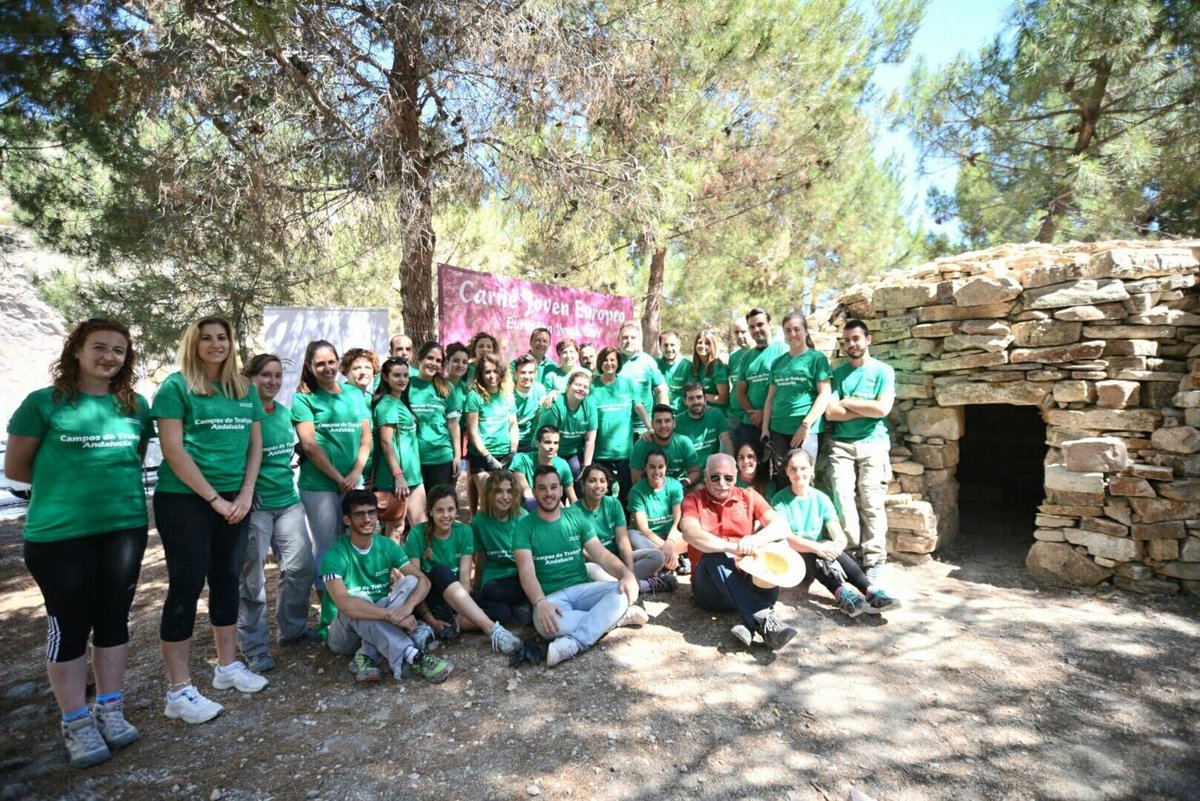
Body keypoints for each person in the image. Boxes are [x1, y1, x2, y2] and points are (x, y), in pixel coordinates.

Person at [6, 318, 153, 766]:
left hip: (124, 528)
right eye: (99, 347)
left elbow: (132, 459)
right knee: (68, 626)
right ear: (76, 350)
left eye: (119, 350)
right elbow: (17, 468)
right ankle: (75, 721)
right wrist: (68, 488)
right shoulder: (42, 403)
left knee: (113, 619)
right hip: (59, 535)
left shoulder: (136, 406)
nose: (109, 356)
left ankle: (110, 709)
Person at [152, 316, 267, 725]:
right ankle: (179, 689)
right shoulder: (176, 386)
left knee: (227, 579)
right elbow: (173, 449)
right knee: (186, 586)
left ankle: (227, 666)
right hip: (185, 500)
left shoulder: (244, 388)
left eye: (222, 338)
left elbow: (255, 445)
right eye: (206, 339)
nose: (216, 344)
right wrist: (215, 499)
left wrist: (246, 493)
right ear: (193, 344)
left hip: (236, 499)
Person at [515, 466, 646, 667]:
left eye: (553, 487)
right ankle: (614, 617)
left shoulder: (576, 518)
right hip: (551, 598)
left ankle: (575, 643)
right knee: (548, 626)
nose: (549, 493)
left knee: (621, 592)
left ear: (561, 489)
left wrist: (626, 574)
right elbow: (526, 571)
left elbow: (601, 554)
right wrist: (540, 603)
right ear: (534, 492)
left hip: (582, 589)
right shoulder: (524, 527)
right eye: (542, 488)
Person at [238, 354, 317, 678]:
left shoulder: (283, 414)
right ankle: (255, 647)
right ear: (250, 377)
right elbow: (233, 457)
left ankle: (292, 630)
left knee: (300, 567)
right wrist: (244, 490)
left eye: (277, 375)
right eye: (265, 375)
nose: (272, 381)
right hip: (255, 506)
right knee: (252, 580)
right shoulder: (241, 413)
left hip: (287, 500)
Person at [319, 490, 452, 683]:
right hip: (344, 635)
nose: (367, 519)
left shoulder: (386, 546)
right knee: (357, 601)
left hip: (378, 620)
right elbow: (344, 604)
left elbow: (424, 581)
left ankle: (366, 655)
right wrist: (391, 616)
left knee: (411, 581)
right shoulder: (335, 556)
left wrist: (407, 608)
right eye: (360, 514)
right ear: (347, 520)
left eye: (371, 512)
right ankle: (414, 656)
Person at [679, 453, 796, 650]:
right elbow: (690, 533)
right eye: (715, 477)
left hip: (747, 580)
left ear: (736, 477)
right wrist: (732, 548)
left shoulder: (749, 496)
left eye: (728, 478)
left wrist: (757, 539)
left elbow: (782, 526)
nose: (722, 483)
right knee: (713, 553)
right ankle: (764, 617)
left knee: (778, 542)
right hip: (710, 591)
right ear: (706, 476)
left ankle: (749, 621)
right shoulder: (693, 501)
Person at [772, 449, 901, 617]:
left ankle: (870, 591)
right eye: (793, 469)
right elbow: (787, 538)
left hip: (818, 557)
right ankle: (842, 594)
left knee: (826, 547)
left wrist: (833, 547)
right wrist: (818, 548)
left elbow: (839, 536)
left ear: (812, 469)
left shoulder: (821, 498)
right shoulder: (779, 501)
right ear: (787, 471)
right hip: (793, 558)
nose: (798, 473)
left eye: (803, 468)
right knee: (814, 549)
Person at [402, 485, 524, 655]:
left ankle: (452, 624)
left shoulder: (464, 532)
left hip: (456, 599)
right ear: (430, 512)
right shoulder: (417, 534)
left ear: (456, 511)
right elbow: (416, 583)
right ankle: (492, 630)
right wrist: (430, 618)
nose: (446, 515)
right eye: (440, 510)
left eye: (450, 509)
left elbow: (465, 579)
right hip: (429, 600)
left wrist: (461, 615)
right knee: (441, 571)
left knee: (503, 612)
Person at [292, 340, 373, 594]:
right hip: (319, 486)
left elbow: (366, 437)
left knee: (354, 540)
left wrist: (356, 473)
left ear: (338, 362)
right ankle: (329, 604)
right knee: (327, 545)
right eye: (320, 364)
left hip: (353, 481)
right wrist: (340, 478)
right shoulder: (303, 398)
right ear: (309, 366)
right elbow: (309, 445)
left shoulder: (354, 394)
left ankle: (354, 596)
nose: (327, 368)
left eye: (331, 362)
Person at [824, 319, 896, 584]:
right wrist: (867, 408)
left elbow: (883, 409)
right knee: (842, 498)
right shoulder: (839, 374)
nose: (851, 344)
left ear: (868, 339)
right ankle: (851, 554)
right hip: (842, 444)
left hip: (874, 443)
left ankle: (874, 559)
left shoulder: (883, 371)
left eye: (856, 338)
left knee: (872, 500)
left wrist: (848, 401)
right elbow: (831, 413)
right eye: (847, 340)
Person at [570, 464, 675, 593]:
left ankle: (625, 584)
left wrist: (629, 573)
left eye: (602, 481)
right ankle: (645, 585)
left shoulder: (613, 504)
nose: (598, 485)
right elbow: (584, 552)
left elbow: (622, 541)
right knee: (589, 571)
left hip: (619, 558)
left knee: (657, 557)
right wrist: (612, 567)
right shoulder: (573, 512)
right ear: (583, 484)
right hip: (598, 564)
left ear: (607, 486)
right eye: (592, 481)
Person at [761, 311, 832, 488]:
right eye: (788, 330)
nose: (792, 334)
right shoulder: (778, 363)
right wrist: (765, 429)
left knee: (803, 479)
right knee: (782, 477)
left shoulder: (817, 359)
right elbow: (770, 398)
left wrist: (805, 425)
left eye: (797, 329)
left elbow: (825, 394)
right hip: (778, 429)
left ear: (805, 331)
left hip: (805, 430)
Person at [372, 356, 426, 539]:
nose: (402, 379)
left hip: (413, 476)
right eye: (396, 375)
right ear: (385, 377)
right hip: (395, 478)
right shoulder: (386, 405)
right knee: (396, 528)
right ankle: (391, 560)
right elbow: (386, 443)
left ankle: (417, 559)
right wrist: (398, 475)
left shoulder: (399, 401)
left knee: (421, 526)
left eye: (405, 375)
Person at [470, 470, 532, 626]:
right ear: (489, 493)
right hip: (495, 577)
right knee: (491, 590)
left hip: (519, 573)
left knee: (528, 584)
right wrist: (476, 587)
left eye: (509, 491)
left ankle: (517, 606)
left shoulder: (523, 517)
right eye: (499, 491)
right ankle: (518, 607)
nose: (505, 497)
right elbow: (480, 557)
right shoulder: (479, 521)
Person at [589, 345, 649, 506]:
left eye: (613, 360)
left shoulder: (627, 383)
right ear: (600, 363)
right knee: (603, 496)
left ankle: (625, 521)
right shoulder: (592, 386)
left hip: (625, 452)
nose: (609, 363)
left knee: (626, 494)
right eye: (605, 360)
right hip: (601, 453)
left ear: (618, 363)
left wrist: (650, 428)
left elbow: (638, 406)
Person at [463, 353, 519, 501]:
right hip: (482, 457)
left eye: (496, 371)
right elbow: (472, 432)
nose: (492, 376)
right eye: (487, 372)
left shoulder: (507, 394)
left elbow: (513, 425)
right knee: (488, 500)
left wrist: (512, 452)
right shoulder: (474, 396)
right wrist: (488, 457)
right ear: (480, 374)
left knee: (505, 500)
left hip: (505, 455)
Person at [408, 342, 463, 490]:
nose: (433, 363)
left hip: (441, 458)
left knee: (439, 503)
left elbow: (453, 425)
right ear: (420, 359)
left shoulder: (447, 388)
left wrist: (457, 456)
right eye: (430, 358)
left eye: (438, 360)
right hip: (413, 459)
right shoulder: (407, 385)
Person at [733, 308, 786, 450]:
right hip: (751, 423)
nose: (756, 329)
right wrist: (753, 414)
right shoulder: (746, 358)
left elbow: (787, 389)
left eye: (760, 324)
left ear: (769, 324)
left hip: (776, 423)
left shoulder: (783, 351)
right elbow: (740, 392)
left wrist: (765, 413)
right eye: (752, 327)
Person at [627, 450, 685, 574]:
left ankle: (663, 562)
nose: (657, 471)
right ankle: (673, 560)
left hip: (672, 536)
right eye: (652, 467)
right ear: (645, 468)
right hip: (650, 540)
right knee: (631, 535)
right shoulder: (637, 491)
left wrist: (669, 543)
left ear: (666, 467)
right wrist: (665, 547)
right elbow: (643, 529)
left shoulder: (675, 486)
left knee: (693, 531)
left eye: (661, 467)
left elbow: (678, 521)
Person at [537, 368, 596, 480]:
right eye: (578, 385)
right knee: (554, 476)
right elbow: (547, 439)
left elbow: (590, 440)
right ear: (568, 386)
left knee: (579, 473)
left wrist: (586, 467)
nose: (581, 389)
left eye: (585, 387)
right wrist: (555, 465)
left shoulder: (590, 406)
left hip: (573, 452)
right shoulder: (555, 404)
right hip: (549, 449)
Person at [616, 322, 668, 439]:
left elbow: (661, 391)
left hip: (644, 427)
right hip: (617, 427)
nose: (629, 340)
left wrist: (662, 419)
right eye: (625, 337)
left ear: (639, 340)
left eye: (633, 337)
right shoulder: (610, 361)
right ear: (618, 340)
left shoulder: (648, 362)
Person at [630, 404, 701, 489]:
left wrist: (682, 484)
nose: (663, 425)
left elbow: (695, 472)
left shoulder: (684, 443)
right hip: (651, 490)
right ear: (652, 424)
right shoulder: (641, 445)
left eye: (667, 421)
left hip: (679, 488)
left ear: (674, 423)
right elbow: (636, 481)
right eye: (658, 421)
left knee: (699, 487)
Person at [510, 425, 577, 510]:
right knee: (531, 502)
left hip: (552, 508)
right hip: (525, 510)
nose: (552, 447)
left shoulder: (562, 464)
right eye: (547, 442)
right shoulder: (521, 459)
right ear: (537, 444)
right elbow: (527, 493)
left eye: (556, 443)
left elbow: (573, 499)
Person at [340, 348, 380, 485]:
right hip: (346, 475)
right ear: (346, 372)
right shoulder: (338, 398)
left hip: (371, 474)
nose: (363, 372)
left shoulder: (373, 399)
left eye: (368, 367)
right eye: (357, 368)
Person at [675, 381, 732, 468]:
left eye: (699, 397)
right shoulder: (677, 422)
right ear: (685, 401)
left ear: (705, 399)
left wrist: (731, 466)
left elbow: (727, 443)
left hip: (713, 469)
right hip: (689, 471)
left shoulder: (715, 414)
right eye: (691, 398)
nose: (696, 401)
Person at [511, 353, 547, 453]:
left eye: (530, 372)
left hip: (532, 441)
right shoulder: (509, 392)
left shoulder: (540, 390)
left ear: (536, 373)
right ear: (516, 373)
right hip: (511, 441)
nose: (527, 376)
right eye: (523, 372)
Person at [691, 329, 731, 416]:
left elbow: (724, 398)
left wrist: (699, 396)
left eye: (707, 343)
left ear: (712, 346)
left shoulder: (718, 366)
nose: (702, 346)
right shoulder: (696, 366)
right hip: (702, 415)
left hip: (718, 416)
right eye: (699, 342)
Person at [726, 319, 753, 433]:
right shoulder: (733, 357)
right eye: (736, 332)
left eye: (743, 331)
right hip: (733, 415)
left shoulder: (760, 354)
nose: (740, 336)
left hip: (752, 416)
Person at [657, 330, 692, 412]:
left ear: (679, 345)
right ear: (660, 346)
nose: (669, 349)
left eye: (672, 345)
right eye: (665, 345)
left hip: (681, 415)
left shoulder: (688, 367)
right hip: (659, 414)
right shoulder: (654, 365)